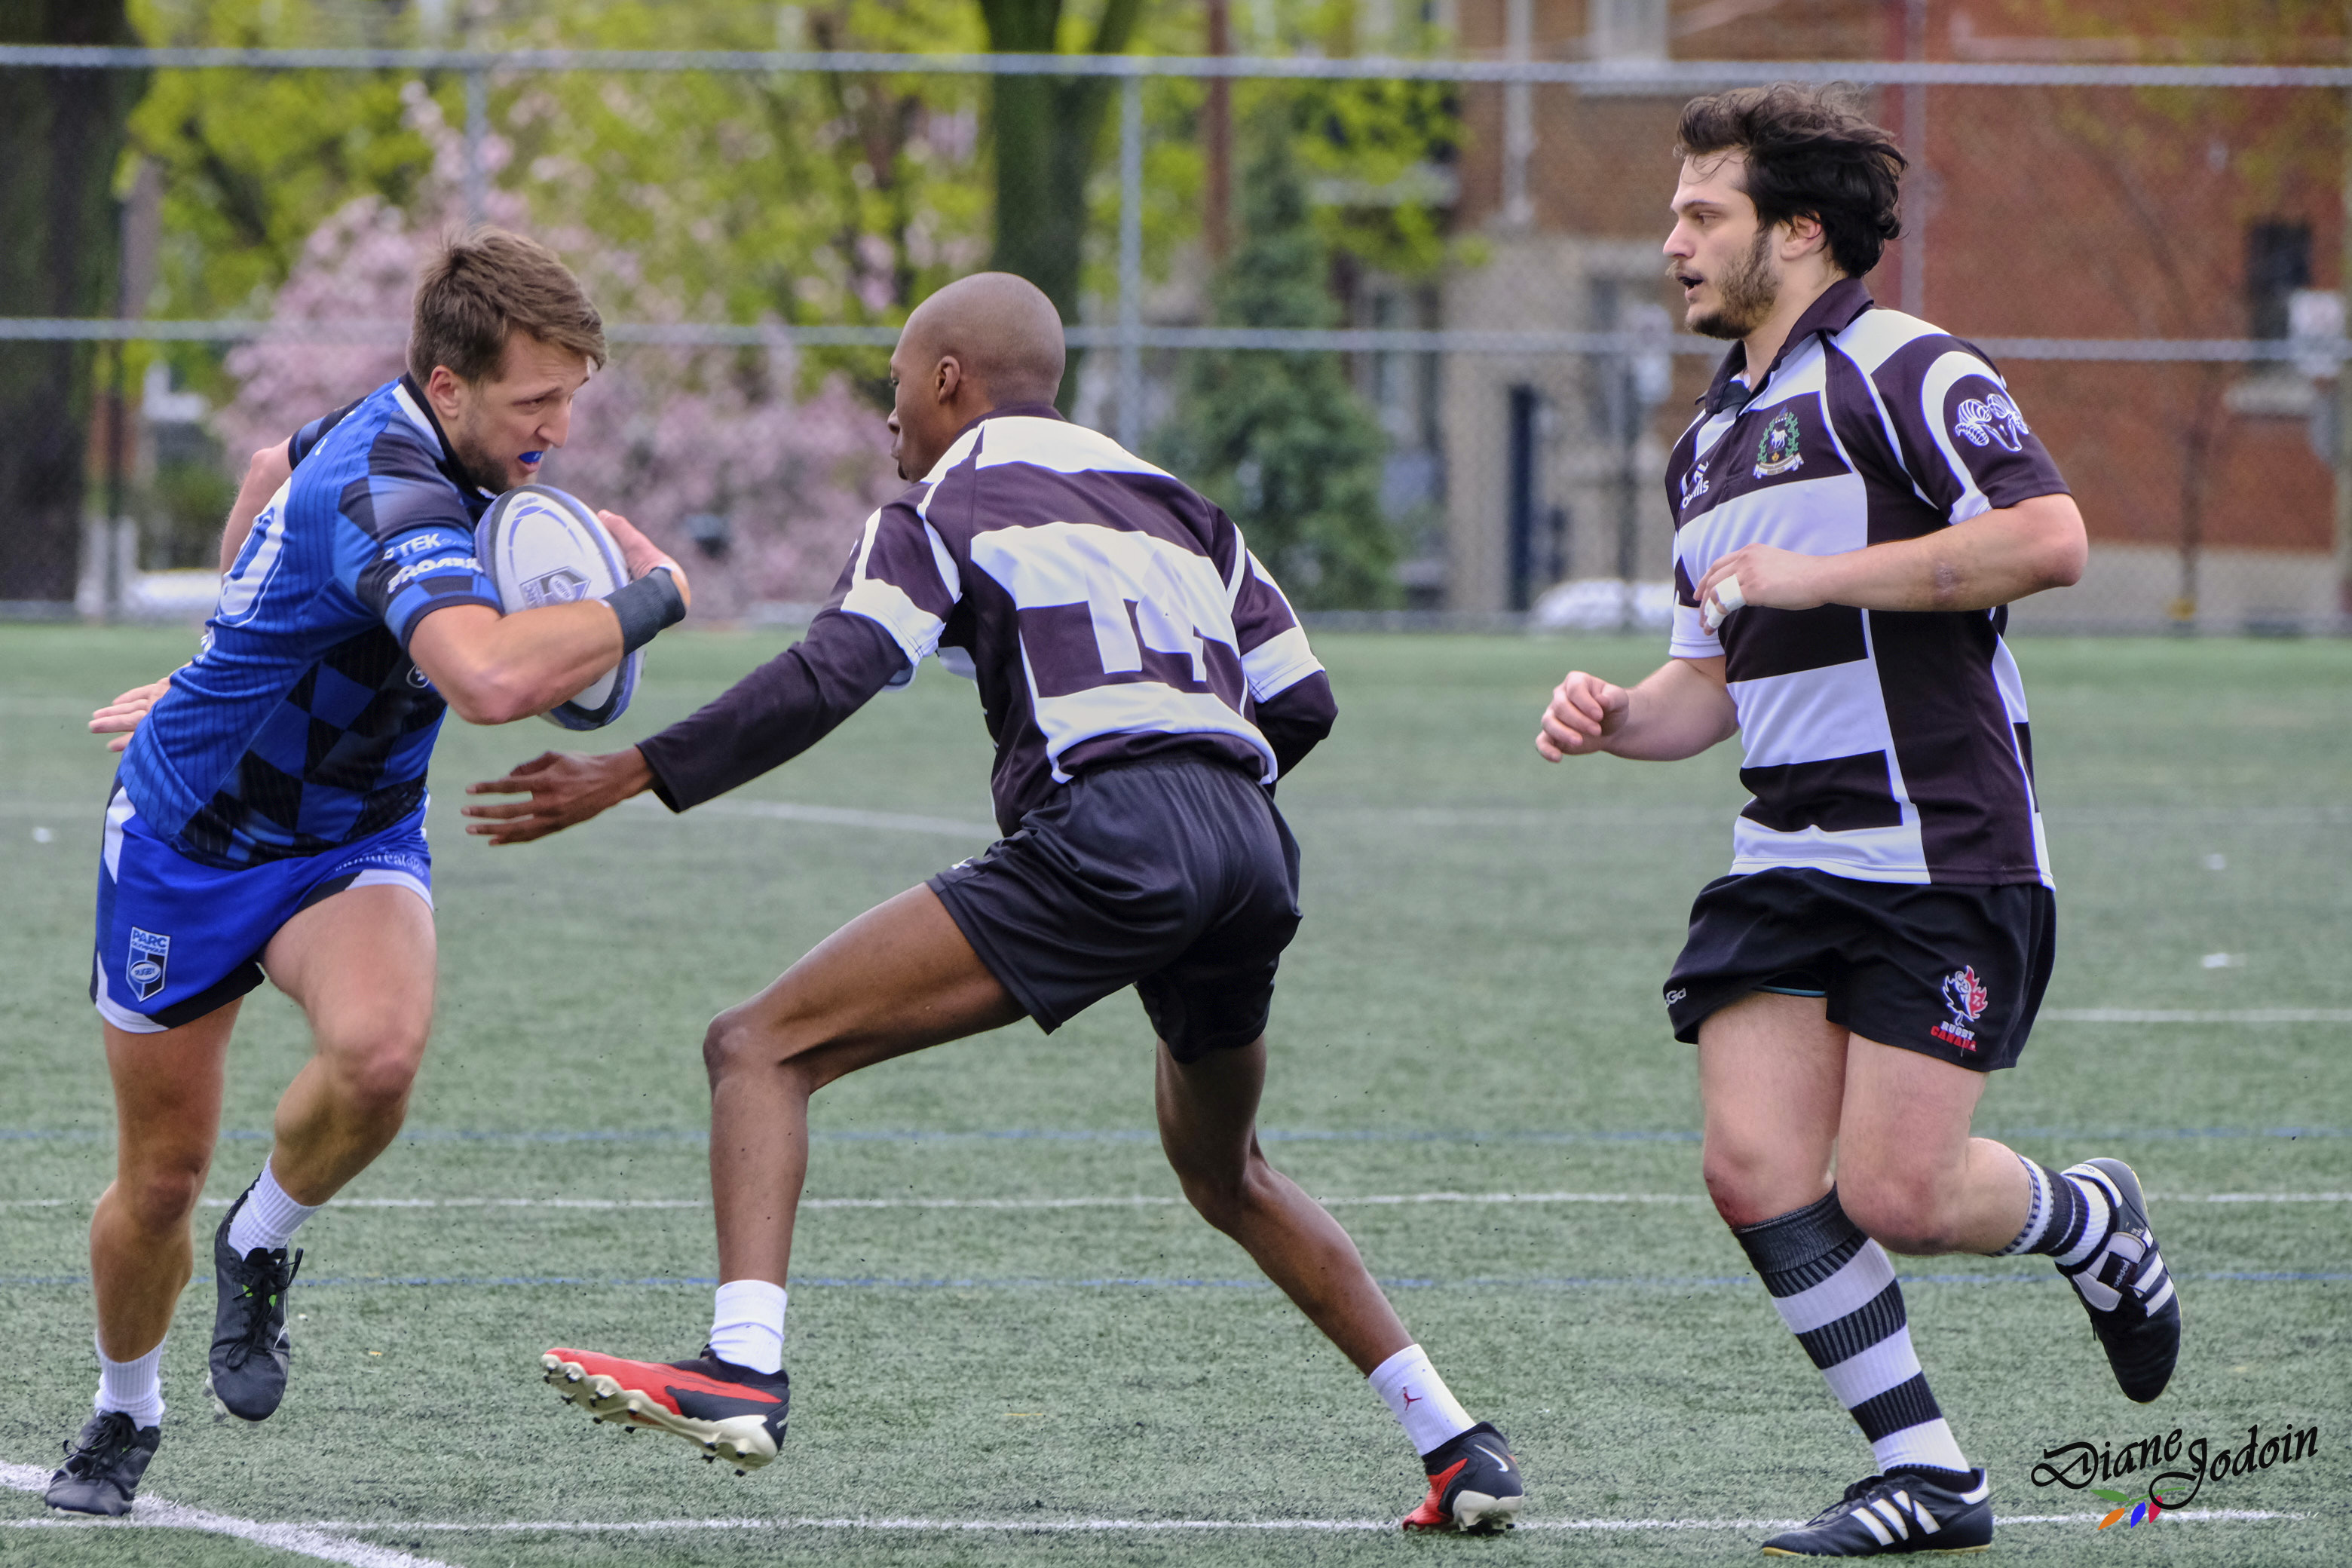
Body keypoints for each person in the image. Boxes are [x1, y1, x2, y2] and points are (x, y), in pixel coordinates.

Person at [461, 271, 1524, 1533]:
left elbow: (837, 666)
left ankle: (739, 1370)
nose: (889, 419)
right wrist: (1190, 817)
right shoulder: (1184, 508)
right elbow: (1302, 702)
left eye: (898, 387)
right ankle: (1459, 1444)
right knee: (1226, 1167)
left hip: (1113, 836)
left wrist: (636, 771)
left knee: (757, 1046)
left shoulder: (945, 498)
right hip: (1249, 847)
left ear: (950, 379)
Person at [1535, 86, 2177, 1557]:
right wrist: (1619, 713)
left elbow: (2049, 537)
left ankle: (2090, 1220)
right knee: (1753, 1166)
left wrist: (1820, 578)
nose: (1673, 243)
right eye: (1674, 214)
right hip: (1786, 852)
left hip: (1940, 850)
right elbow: (1711, 681)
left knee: (1902, 1190)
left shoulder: (1907, 369)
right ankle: (1930, 1470)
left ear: (1801, 231)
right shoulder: (1707, 439)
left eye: (1704, 214)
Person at [47, 228, 691, 1517]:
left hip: (354, 835)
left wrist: (218, 644)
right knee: (158, 1178)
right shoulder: (396, 486)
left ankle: (263, 1239)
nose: (557, 430)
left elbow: (260, 468)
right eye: (536, 401)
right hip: (191, 841)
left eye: (571, 397)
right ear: (450, 389)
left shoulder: (424, 423)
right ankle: (126, 1411)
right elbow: (494, 679)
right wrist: (655, 596)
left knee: (382, 1060)